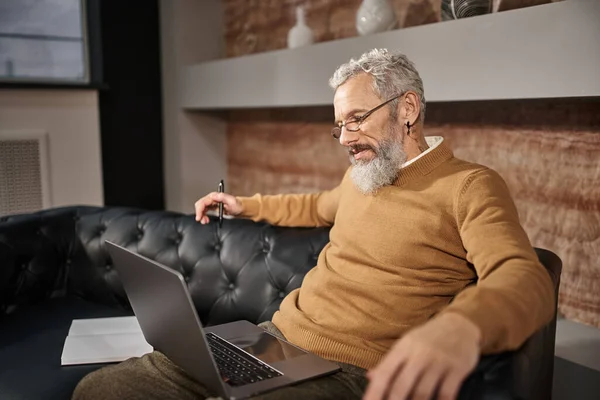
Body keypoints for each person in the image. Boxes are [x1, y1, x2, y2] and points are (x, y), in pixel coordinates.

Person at [73, 49, 554, 400]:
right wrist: (244, 204)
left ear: (407, 109)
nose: (345, 138)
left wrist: (462, 327)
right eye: (340, 125)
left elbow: (522, 275)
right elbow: (315, 206)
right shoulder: (363, 176)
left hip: (349, 373)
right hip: (271, 338)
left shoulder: (469, 186)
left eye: (357, 120)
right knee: (101, 390)